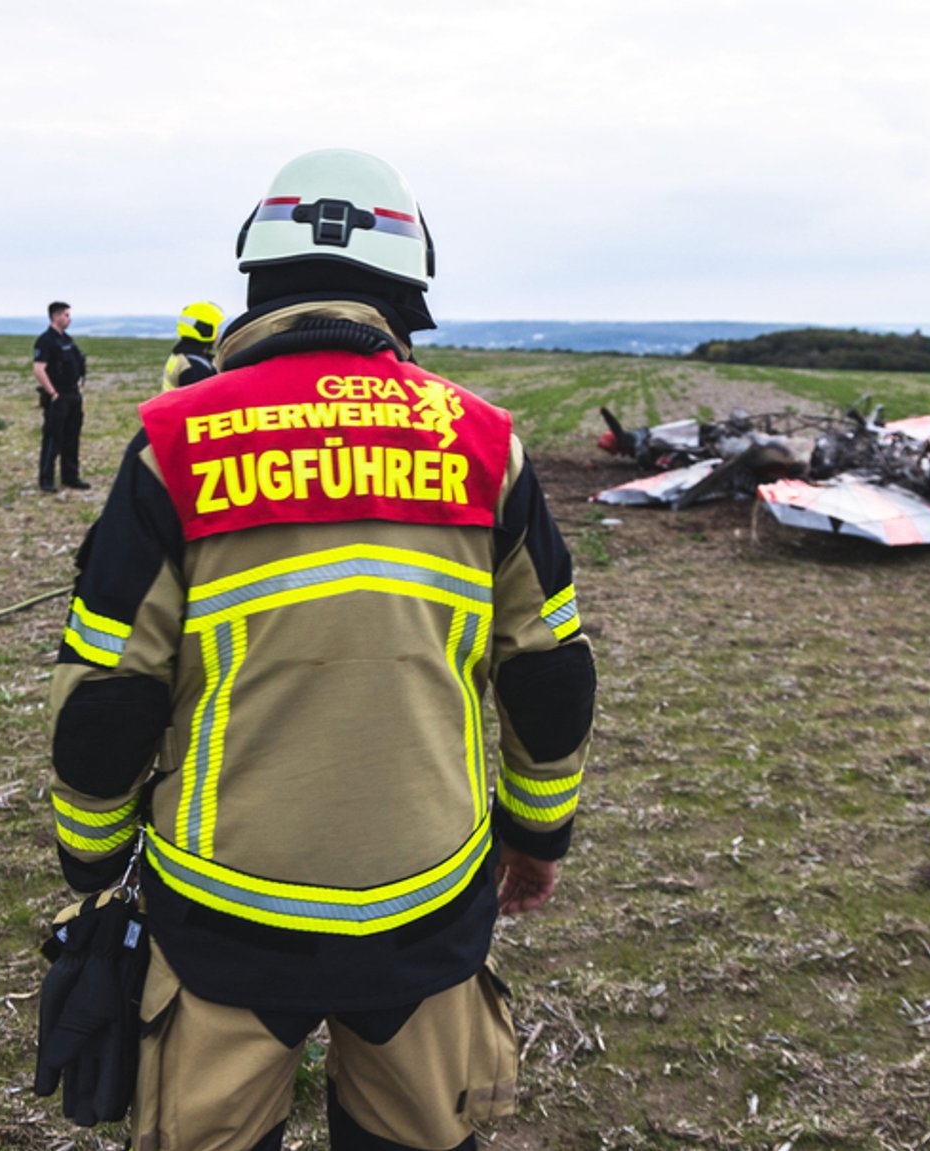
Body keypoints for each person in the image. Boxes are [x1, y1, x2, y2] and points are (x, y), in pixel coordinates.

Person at [46, 148, 595, 1151]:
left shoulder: (171, 441)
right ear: (405, 294)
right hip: (426, 901)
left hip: (221, 910)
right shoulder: (484, 442)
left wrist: (89, 858)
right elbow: (549, 675)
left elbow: (106, 705)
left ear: (256, 281)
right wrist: (536, 836)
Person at [34, 300, 89, 491]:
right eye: (66, 315)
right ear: (56, 316)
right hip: (58, 397)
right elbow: (39, 369)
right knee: (53, 439)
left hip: (73, 395)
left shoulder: (67, 340)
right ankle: (46, 480)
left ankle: (70, 476)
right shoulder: (46, 341)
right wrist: (53, 393)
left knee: (71, 438)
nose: (69, 319)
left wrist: (80, 385)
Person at [161, 300, 224, 391]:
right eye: (216, 328)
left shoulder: (181, 356)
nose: (218, 332)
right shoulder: (195, 368)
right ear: (204, 329)